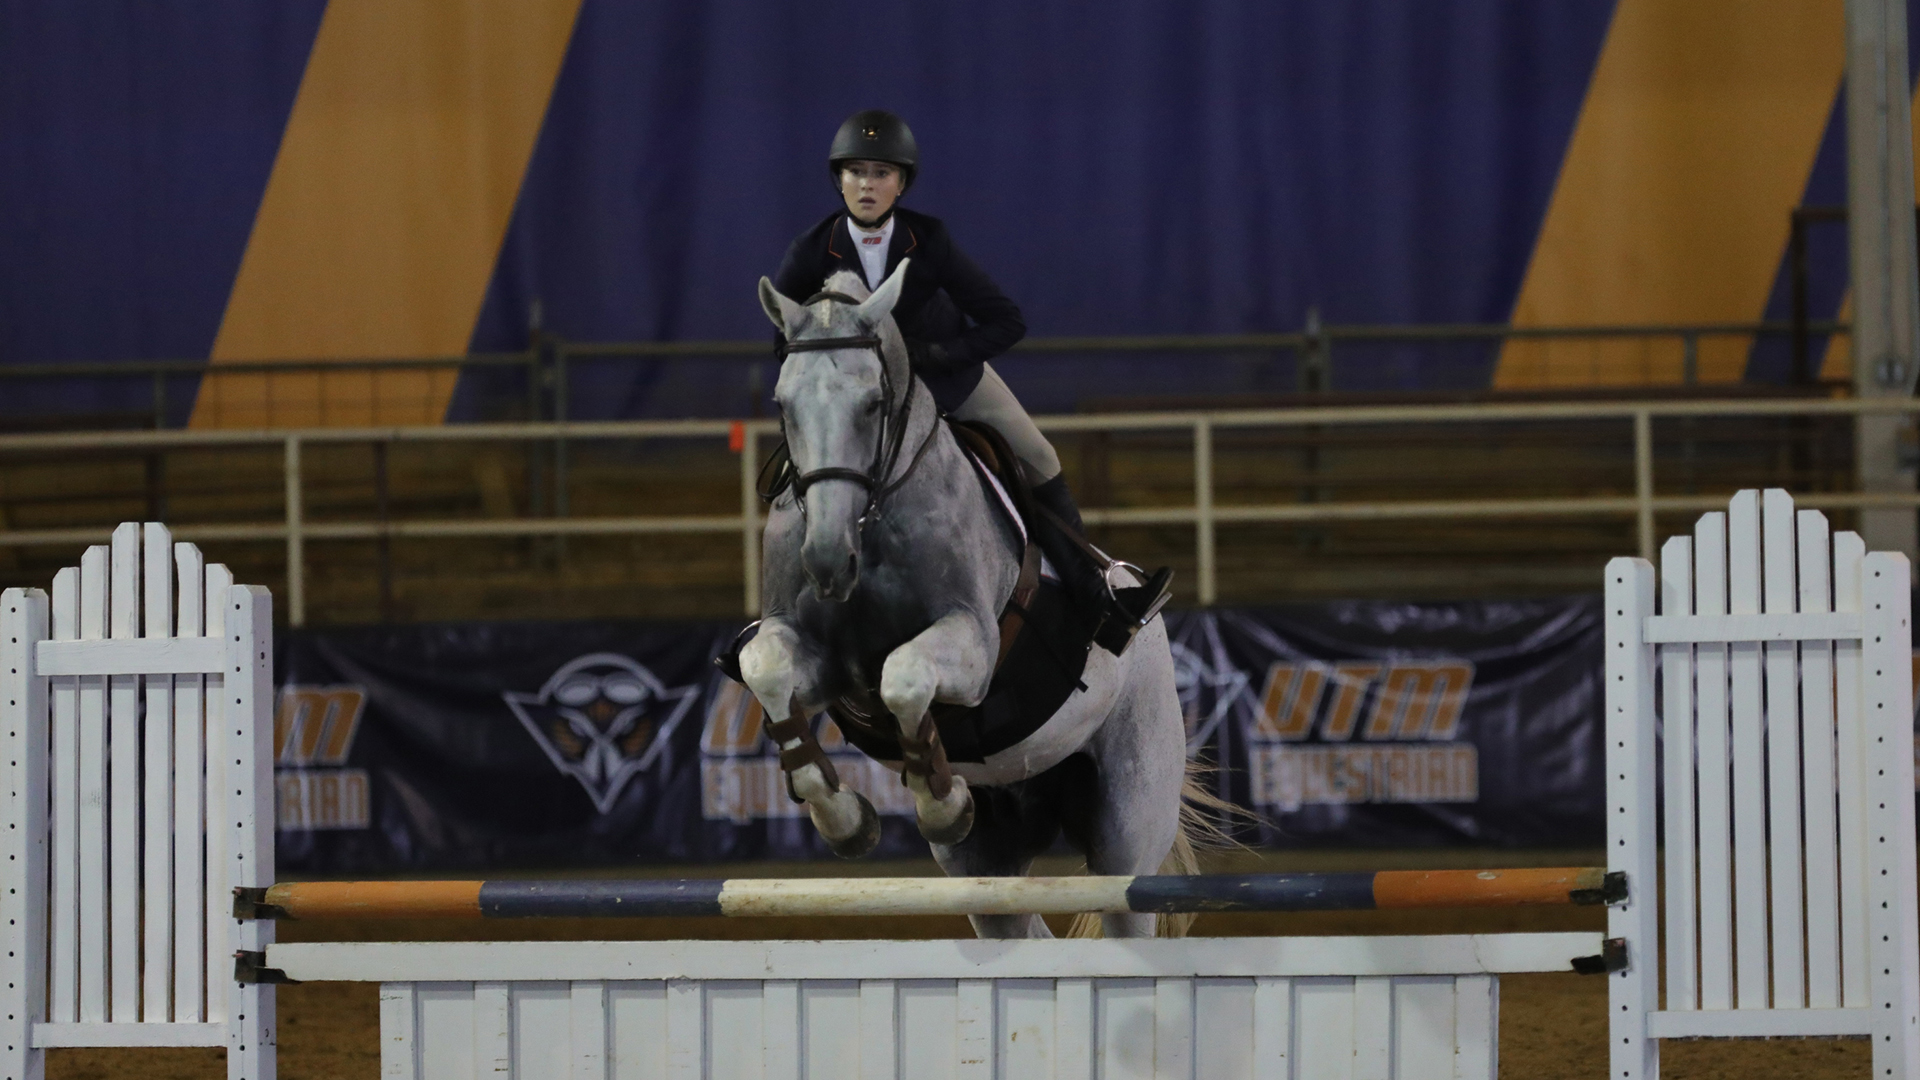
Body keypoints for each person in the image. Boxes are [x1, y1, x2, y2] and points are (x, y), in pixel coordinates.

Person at [771, 108, 1171, 654]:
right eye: (856, 171)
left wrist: (935, 354)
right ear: (838, 179)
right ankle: (774, 616)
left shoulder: (929, 240)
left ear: (901, 183)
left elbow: (1006, 320)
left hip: (947, 383)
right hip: (860, 402)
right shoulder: (812, 250)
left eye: (881, 173)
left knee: (1039, 454)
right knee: (805, 478)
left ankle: (1095, 595)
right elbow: (784, 340)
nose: (867, 184)